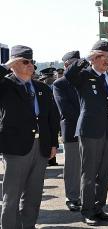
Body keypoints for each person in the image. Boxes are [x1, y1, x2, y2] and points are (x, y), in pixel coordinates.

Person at [0, 45, 59, 229]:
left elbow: (52, 117)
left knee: (33, 194)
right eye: (25, 61)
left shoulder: (42, 88)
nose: (30, 65)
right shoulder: (6, 86)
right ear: (14, 64)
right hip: (16, 148)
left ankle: (29, 226)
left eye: (32, 61)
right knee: (12, 195)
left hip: (40, 147)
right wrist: (6, 65)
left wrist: (53, 143)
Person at [64, 40, 108, 225]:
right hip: (89, 131)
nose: (106, 61)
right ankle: (87, 210)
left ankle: (99, 208)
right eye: (102, 57)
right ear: (94, 58)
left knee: (105, 173)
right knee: (89, 173)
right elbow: (68, 75)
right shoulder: (83, 76)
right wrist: (85, 59)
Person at [52, 50, 81, 211]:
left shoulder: (84, 80)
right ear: (66, 65)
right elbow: (66, 110)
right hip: (72, 131)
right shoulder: (60, 84)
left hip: (89, 131)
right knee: (73, 167)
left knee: (87, 167)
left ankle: (86, 196)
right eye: (74, 64)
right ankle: (72, 197)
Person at [40, 67, 60, 166]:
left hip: (53, 113)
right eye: (48, 77)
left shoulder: (53, 86)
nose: (50, 78)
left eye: (51, 76)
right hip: (44, 115)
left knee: (53, 134)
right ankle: (50, 159)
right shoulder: (41, 87)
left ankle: (52, 159)